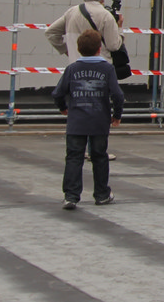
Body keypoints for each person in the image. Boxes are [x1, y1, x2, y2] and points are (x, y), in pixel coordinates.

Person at [52, 28, 123, 210]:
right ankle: (102, 194)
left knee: (74, 157)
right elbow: (118, 95)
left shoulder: (72, 69)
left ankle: (71, 196)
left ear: (79, 49)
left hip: (77, 121)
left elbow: (58, 93)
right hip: (99, 120)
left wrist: (63, 108)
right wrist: (117, 115)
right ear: (99, 48)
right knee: (99, 156)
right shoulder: (107, 69)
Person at [45, 0, 125, 62]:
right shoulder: (106, 16)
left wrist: (66, 50)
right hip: (100, 66)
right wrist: (119, 28)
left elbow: (50, 32)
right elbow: (113, 46)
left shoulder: (71, 12)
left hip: (76, 65)